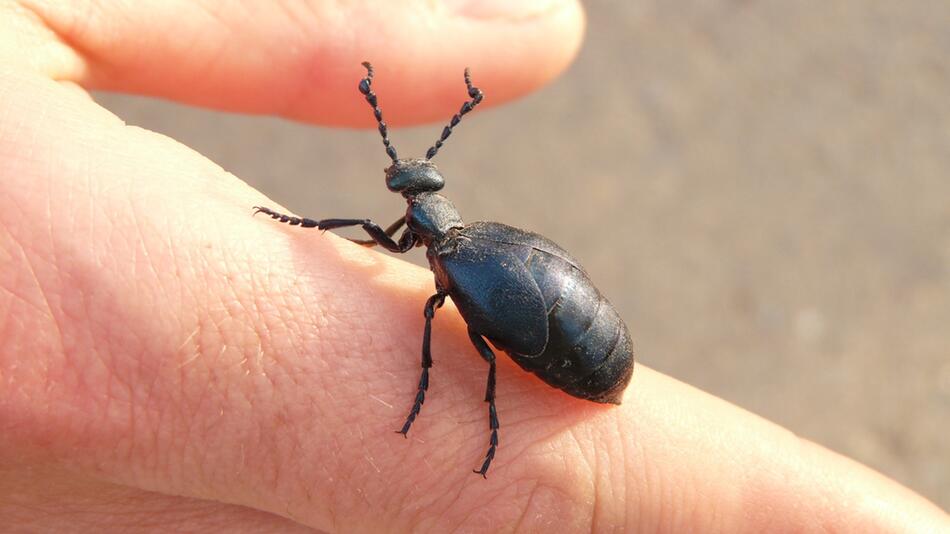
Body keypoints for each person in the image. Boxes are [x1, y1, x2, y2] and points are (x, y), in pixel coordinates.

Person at [0, 1, 945, 531]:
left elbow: (408, 282)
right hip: (567, 320)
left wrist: (455, 413)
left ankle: (483, 416)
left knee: (444, 334)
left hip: (565, 344)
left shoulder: (450, 254)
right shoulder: (472, 239)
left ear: (417, 198)